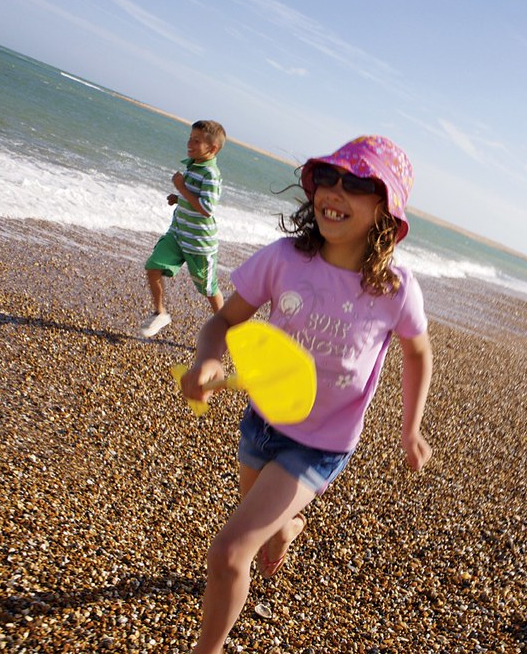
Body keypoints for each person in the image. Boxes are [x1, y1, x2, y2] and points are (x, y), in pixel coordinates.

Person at [179, 135, 433, 653]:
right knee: (258, 522)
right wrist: (208, 358)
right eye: (327, 177)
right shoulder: (285, 259)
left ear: (386, 210)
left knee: (230, 551)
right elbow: (223, 322)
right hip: (262, 421)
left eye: (357, 184)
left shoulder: (394, 289)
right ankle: (287, 527)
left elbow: (417, 353)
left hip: (320, 445)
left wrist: (410, 429)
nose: (334, 191)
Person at [140, 120, 227, 338]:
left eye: (196, 141)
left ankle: (227, 329)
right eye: (190, 138)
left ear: (212, 148)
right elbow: (193, 197)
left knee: (209, 289)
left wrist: (181, 187)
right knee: (153, 266)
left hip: (199, 243)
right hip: (178, 233)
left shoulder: (211, 174)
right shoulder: (192, 164)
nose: (189, 143)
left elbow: (207, 209)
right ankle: (160, 313)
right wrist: (178, 198)